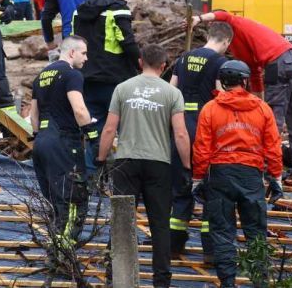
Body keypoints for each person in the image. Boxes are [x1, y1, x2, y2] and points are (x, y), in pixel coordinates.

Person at [96, 44, 190, 288]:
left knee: (122, 220)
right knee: (159, 224)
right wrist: (188, 167)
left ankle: (114, 275)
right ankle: (161, 281)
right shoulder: (171, 93)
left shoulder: (123, 88)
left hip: (126, 162)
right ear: (164, 66)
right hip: (159, 164)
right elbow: (180, 134)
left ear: (140, 62)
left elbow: (109, 128)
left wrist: (101, 160)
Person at [192, 60, 283, 288]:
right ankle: (260, 281)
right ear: (245, 80)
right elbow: (273, 146)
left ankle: (228, 283)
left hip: (221, 175)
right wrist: (276, 177)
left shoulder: (211, 109)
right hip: (251, 175)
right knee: (256, 232)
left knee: (222, 233)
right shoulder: (262, 108)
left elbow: (201, 147)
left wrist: (197, 178)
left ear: (223, 82)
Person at [193, 12, 292, 158]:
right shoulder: (247, 34)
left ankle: (269, 164)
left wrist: (199, 18)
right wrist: (259, 103)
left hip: (279, 64)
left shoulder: (236, 25)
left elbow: (225, 15)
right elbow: (254, 73)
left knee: (273, 120)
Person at [167, 22, 233, 260]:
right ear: (226, 42)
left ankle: (174, 246)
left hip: (180, 126)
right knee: (210, 189)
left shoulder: (184, 58)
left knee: (181, 186)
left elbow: (171, 90)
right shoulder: (220, 63)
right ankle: (210, 251)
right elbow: (222, 98)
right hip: (205, 130)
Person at [29, 35, 97, 261]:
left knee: (55, 200)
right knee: (74, 199)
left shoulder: (41, 76)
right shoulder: (72, 74)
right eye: (84, 53)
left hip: (42, 142)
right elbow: (79, 109)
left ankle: (56, 246)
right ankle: (61, 254)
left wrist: (39, 136)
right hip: (64, 142)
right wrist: (91, 131)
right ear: (71, 53)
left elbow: (34, 114)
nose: (86, 58)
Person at [73, 0, 139, 150]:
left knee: (94, 129)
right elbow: (128, 43)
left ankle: (93, 172)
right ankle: (123, 171)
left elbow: (73, 41)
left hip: (87, 78)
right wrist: (140, 65)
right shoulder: (118, 10)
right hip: (114, 78)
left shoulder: (80, 10)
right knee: (125, 127)